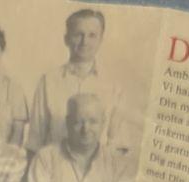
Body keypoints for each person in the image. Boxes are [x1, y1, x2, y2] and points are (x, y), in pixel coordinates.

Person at [28, 8, 122, 152]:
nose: (85, 41)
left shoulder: (113, 85)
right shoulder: (48, 81)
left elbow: (115, 143)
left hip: (96, 164)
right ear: (66, 39)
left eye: (92, 35)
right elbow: (35, 140)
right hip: (54, 163)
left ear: (101, 39)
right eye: (78, 34)